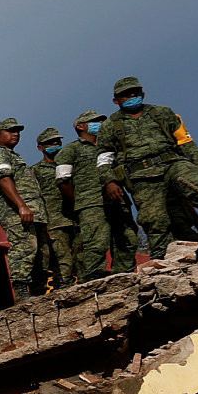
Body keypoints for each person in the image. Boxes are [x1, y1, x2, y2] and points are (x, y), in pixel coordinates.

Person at [94, 76, 198, 259]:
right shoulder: (110, 126)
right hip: (142, 179)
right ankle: (163, 261)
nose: (131, 96)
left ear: (143, 94)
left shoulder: (163, 113)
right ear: (116, 100)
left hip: (173, 166)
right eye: (125, 95)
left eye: (135, 93)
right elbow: (104, 158)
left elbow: (185, 142)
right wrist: (110, 181)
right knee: (155, 220)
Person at [61, 110, 134, 277]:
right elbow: (63, 181)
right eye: (94, 121)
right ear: (80, 126)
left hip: (117, 201)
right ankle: (93, 281)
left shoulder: (110, 146)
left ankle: (124, 276)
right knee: (96, 244)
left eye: (101, 121)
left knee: (128, 238)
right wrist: (80, 201)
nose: (99, 124)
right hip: (91, 204)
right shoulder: (71, 150)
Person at [0, 117, 47, 298]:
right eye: (10, 131)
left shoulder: (14, 156)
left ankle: (37, 290)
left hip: (32, 210)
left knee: (40, 251)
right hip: (14, 210)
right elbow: (4, 180)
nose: (16, 134)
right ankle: (21, 290)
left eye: (17, 131)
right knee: (25, 246)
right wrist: (21, 206)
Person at [32, 127, 79, 288]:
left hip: (76, 217)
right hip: (54, 222)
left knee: (82, 255)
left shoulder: (69, 164)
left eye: (57, 141)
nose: (55, 144)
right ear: (40, 147)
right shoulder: (35, 171)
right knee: (63, 259)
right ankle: (64, 287)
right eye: (50, 143)